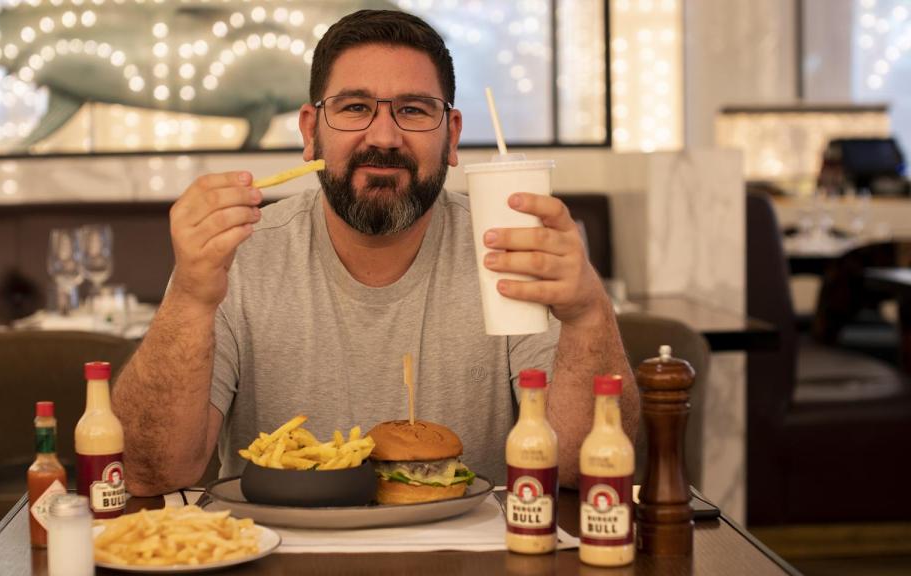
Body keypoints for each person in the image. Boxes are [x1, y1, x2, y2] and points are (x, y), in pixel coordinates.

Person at [112, 9, 638, 496]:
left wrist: (589, 313)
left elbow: (579, 470)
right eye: (355, 107)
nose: (383, 136)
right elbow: (148, 471)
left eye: (413, 109)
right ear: (310, 132)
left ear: (452, 137)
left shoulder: (511, 244)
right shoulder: (240, 253)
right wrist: (189, 294)